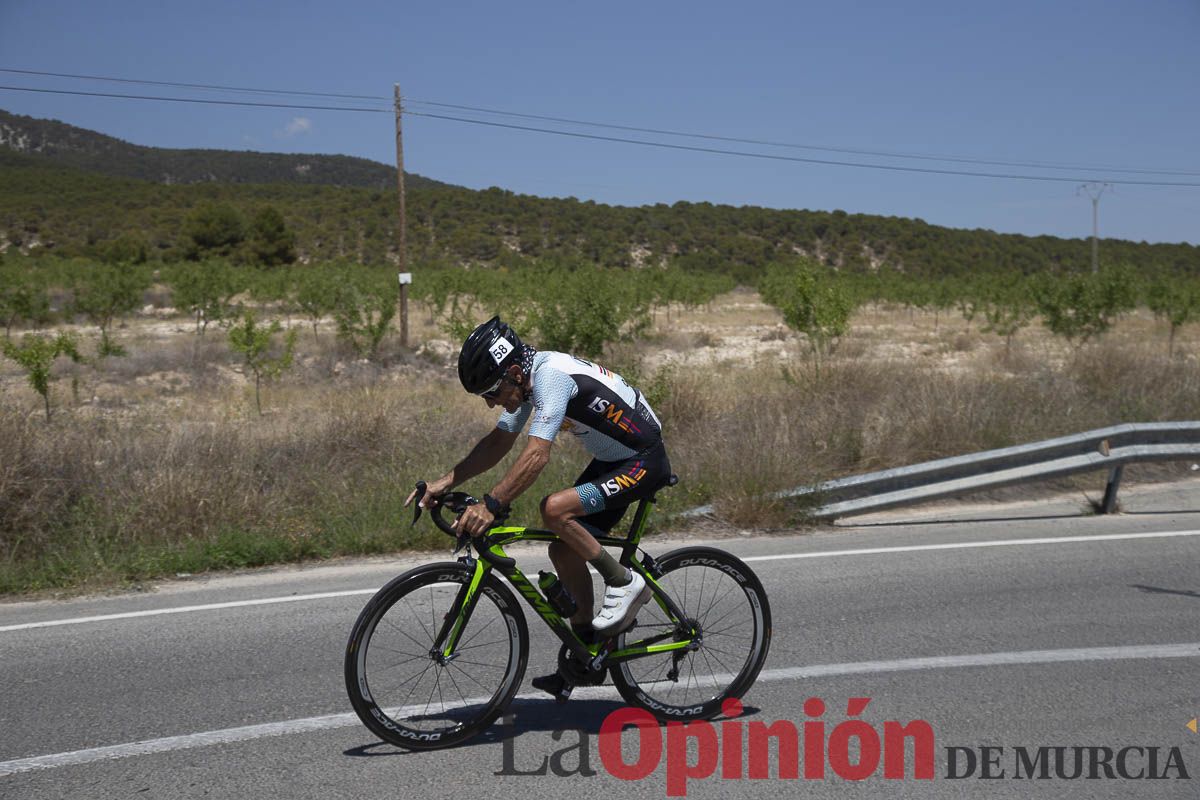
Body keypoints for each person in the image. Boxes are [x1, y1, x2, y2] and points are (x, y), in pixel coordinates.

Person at [406, 315, 671, 691]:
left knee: (554, 509)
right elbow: (497, 443)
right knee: (563, 552)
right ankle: (588, 654)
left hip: (644, 459)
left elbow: (536, 455)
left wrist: (491, 505)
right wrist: (443, 482)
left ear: (514, 372)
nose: (490, 403)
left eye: (491, 393)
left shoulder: (550, 378)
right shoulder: (525, 382)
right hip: (616, 460)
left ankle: (625, 582)